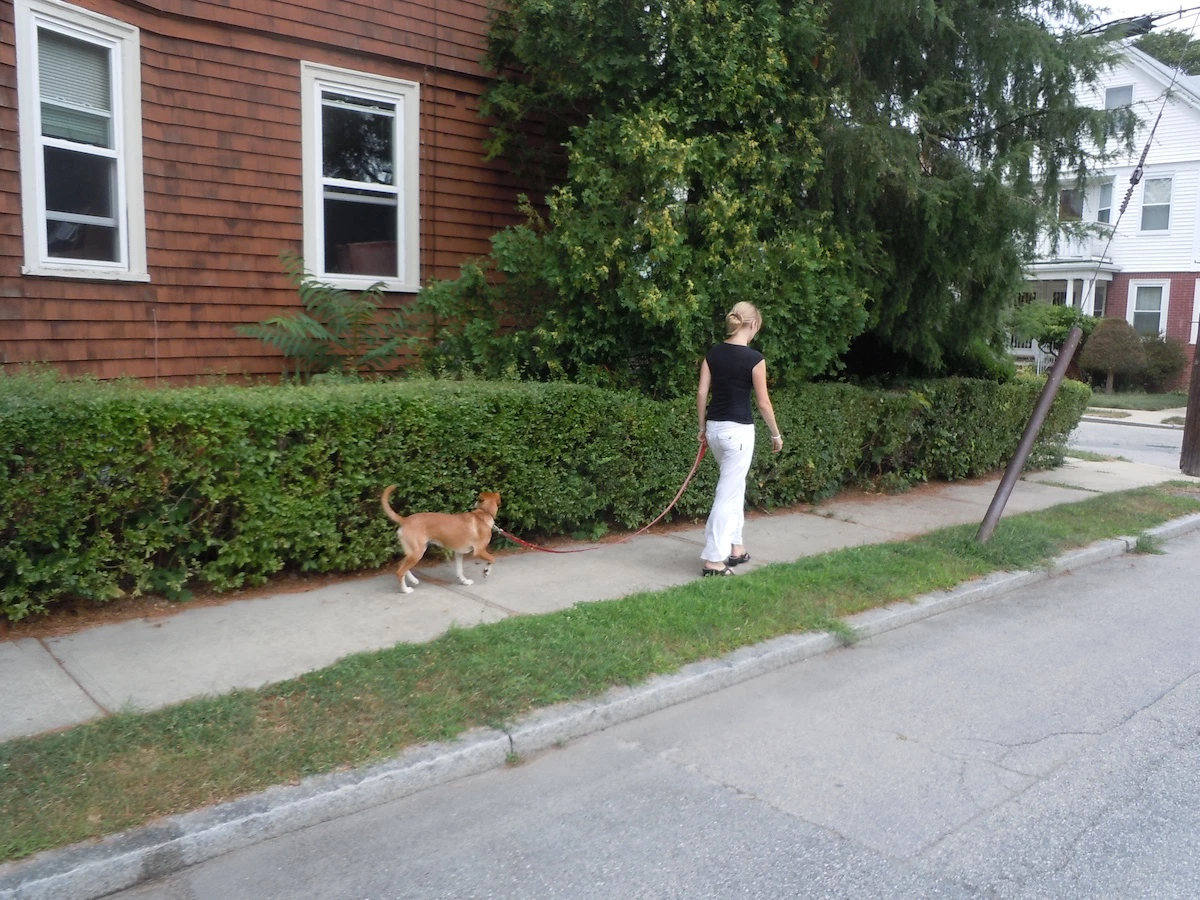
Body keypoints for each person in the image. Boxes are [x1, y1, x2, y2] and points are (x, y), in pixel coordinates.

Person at [696, 302, 783, 576]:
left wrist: (702, 428)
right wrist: (776, 434)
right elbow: (764, 403)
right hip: (739, 432)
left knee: (734, 487)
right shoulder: (755, 359)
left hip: (715, 429)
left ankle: (736, 548)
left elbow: (701, 394)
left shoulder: (713, 353)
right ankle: (713, 560)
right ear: (754, 325)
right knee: (727, 492)